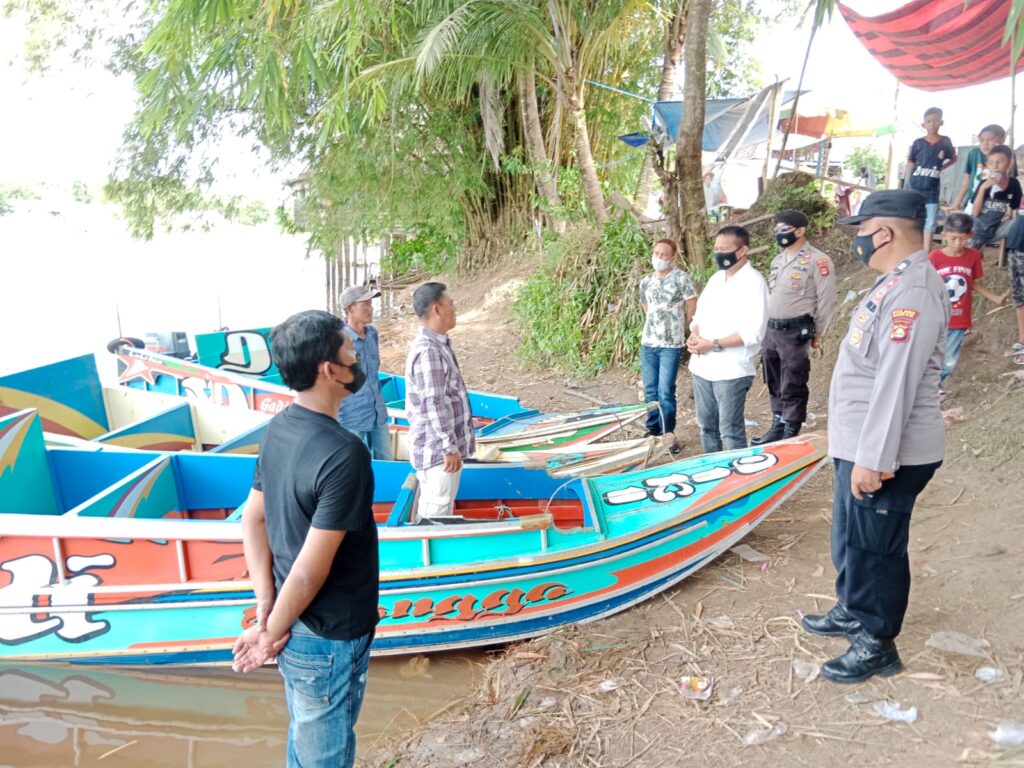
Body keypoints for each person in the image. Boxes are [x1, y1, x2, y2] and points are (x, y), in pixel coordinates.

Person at [802, 190, 947, 684]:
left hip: (889, 452)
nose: (859, 242)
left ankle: (876, 642)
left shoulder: (913, 292)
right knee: (851, 536)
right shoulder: (894, 283)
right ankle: (851, 607)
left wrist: (874, 458)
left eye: (862, 232)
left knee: (877, 547)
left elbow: (896, 382)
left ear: (883, 233)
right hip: (862, 443)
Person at [232, 309, 379, 766]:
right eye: (350, 349)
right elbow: (309, 573)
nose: (358, 354)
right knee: (324, 758)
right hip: (328, 635)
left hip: (290, 625)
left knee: (303, 740)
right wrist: (265, 635)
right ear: (328, 370)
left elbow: (251, 521)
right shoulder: (345, 453)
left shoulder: (279, 427)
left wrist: (266, 610)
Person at [752, 209, 837, 445]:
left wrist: (819, 331)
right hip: (772, 329)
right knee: (773, 377)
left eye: (785, 229)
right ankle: (777, 423)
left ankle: (791, 427)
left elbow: (827, 300)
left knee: (793, 378)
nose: (780, 234)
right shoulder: (778, 260)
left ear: (801, 231)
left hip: (796, 330)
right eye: (777, 229)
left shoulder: (818, 260)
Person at [686, 226, 768, 454]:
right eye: (716, 249)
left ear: (742, 251)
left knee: (729, 430)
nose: (719, 253)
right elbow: (699, 316)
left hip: (731, 370)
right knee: (706, 427)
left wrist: (712, 344)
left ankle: (738, 482)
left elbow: (753, 331)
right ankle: (713, 474)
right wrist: (694, 335)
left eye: (724, 249)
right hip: (702, 366)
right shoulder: (715, 280)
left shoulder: (754, 283)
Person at [405, 282, 475, 522]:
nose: (454, 308)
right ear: (437, 309)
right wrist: (449, 447)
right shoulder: (429, 351)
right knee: (436, 514)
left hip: (439, 451)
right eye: (450, 303)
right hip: (438, 454)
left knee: (437, 506)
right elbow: (433, 403)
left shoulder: (438, 344)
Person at [928, 213, 1009, 385]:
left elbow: (972, 283)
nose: (958, 244)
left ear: (971, 236)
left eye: (963, 239)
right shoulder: (934, 258)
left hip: (959, 317)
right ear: (944, 235)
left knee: (949, 358)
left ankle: (936, 386)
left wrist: (995, 298)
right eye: (954, 238)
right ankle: (925, 386)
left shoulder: (973, 256)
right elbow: (925, 287)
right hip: (935, 317)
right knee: (929, 353)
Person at [639, 238, 698, 453]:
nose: (659, 258)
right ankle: (653, 431)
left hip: (671, 344)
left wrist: (682, 326)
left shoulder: (681, 278)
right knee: (650, 391)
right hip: (648, 343)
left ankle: (668, 434)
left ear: (672, 257)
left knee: (665, 390)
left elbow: (692, 305)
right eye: (656, 253)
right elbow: (646, 307)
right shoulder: (645, 281)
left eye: (664, 255)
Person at [338, 284, 393, 460]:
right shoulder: (339, 341)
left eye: (371, 303)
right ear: (350, 309)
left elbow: (373, 373)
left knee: (386, 461)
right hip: (351, 417)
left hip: (378, 412)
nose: (371, 308)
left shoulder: (372, 334)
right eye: (366, 304)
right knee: (355, 466)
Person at [904, 107, 957, 251]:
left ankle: (926, 252)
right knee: (914, 218)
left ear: (941, 122)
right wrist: (907, 184)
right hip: (916, 186)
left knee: (931, 220)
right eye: (929, 121)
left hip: (933, 189)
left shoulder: (945, 142)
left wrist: (941, 167)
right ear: (923, 125)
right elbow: (910, 162)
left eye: (936, 121)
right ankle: (914, 249)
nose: (932, 124)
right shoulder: (918, 143)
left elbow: (953, 158)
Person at [968, 144, 1022, 248]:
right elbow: (975, 213)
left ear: (1009, 163)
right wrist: (982, 189)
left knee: (1021, 221)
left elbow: (1016, 206)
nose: (995, 166)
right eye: (991, 163)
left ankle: (1016, 253)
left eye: (999, 162)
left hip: (995, 231)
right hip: (976, 231)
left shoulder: (1013, 183)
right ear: (987, 165)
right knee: (970, 256)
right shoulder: (984, 183)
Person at [950, 123, 1006, 212]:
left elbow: (1010, 184)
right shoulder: (974, 154)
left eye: (990, 139)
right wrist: (957, 203)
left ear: (1001, 140)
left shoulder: (1007, 157)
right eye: (981, 140)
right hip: (973, 202)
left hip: (995, 205)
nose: (985, 144)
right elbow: (966, 181)